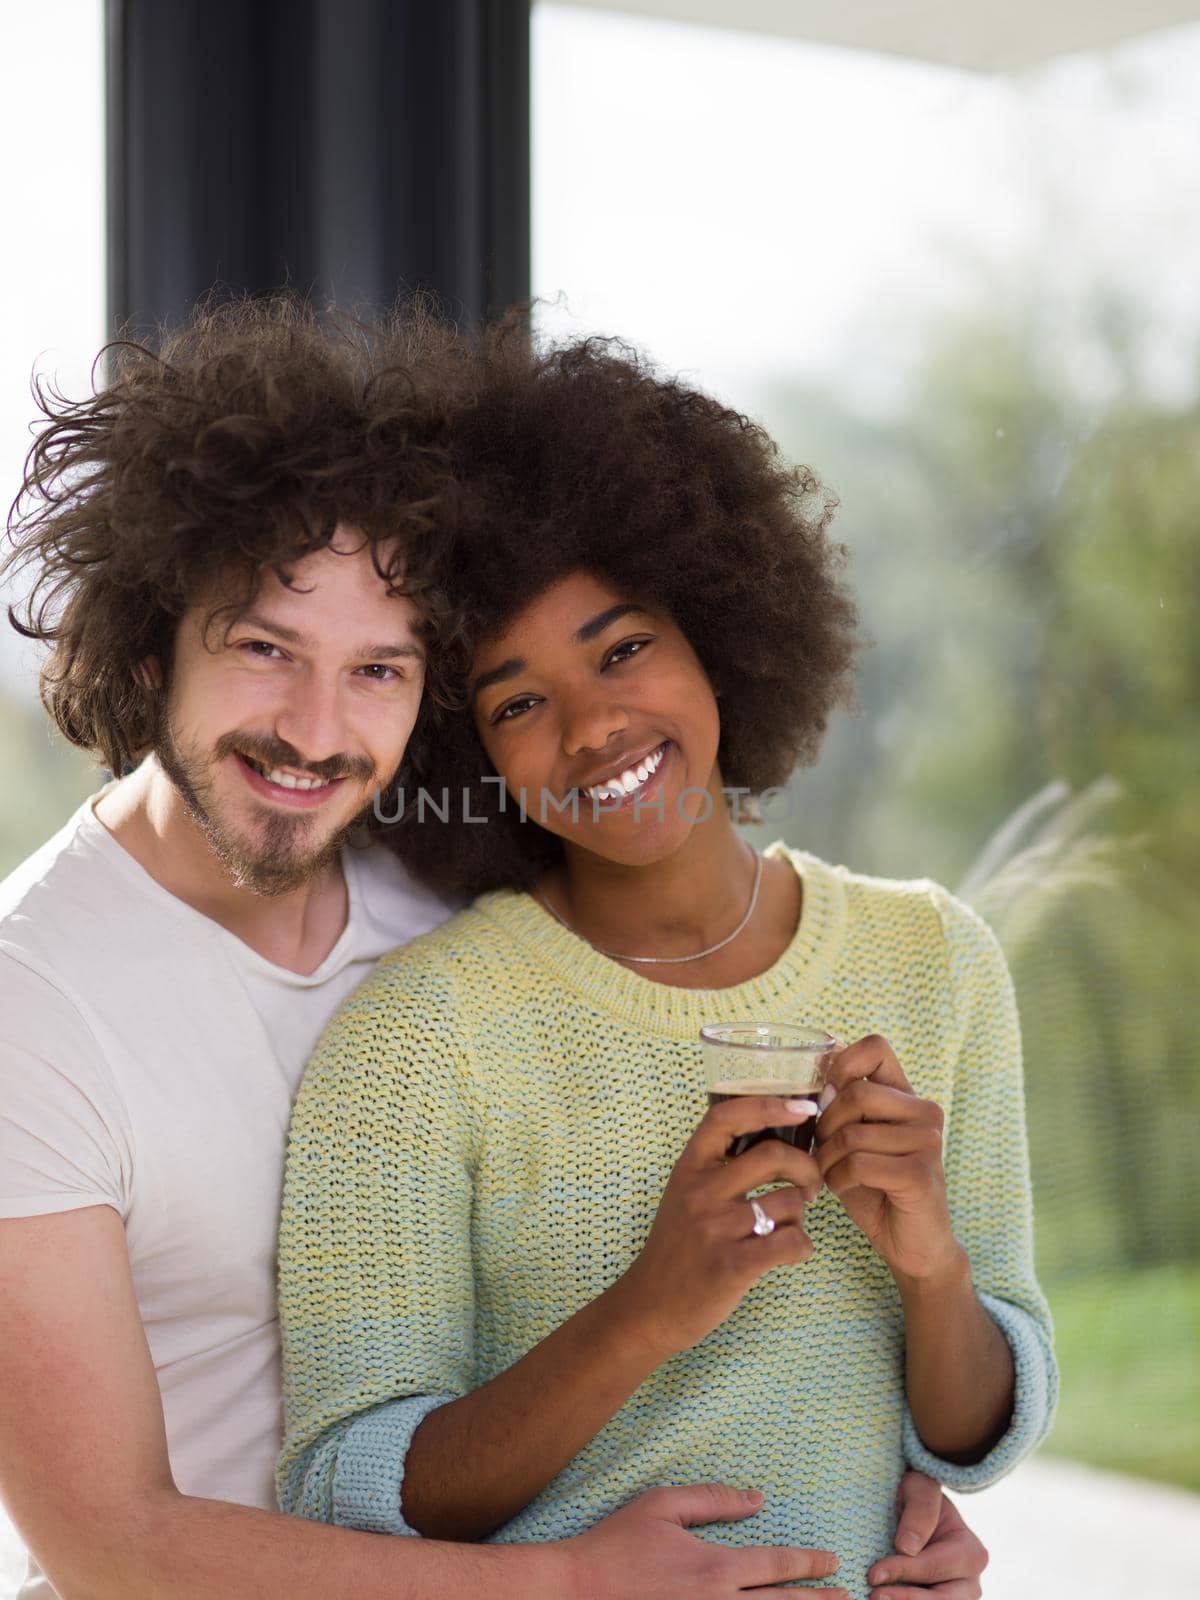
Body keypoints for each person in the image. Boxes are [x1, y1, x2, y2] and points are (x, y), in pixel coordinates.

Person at [0, 298, 987, 1600]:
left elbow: (622, 1269)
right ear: (145, 646)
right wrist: (567, 1589)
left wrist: (885, 1492)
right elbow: (109, 1543)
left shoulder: (454, 898)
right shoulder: (34, 1002)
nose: (314, 728)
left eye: (380, 670)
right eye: (263, 649)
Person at [276, 324, 1056, 1600]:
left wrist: (934, 1266)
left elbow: (968, 1438)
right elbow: (347, 1484)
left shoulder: (938, 959)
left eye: (623, 647)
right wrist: (648, 1307)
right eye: (517, 701)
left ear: (716, 634)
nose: (593, 728)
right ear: (467, 755)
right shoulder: (421, 1034)